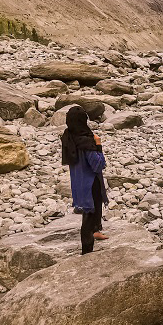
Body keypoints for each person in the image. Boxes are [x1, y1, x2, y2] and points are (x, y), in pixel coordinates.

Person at [60, 106, 109, 254]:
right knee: (89, 213)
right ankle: (86, 251)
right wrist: (99, 146)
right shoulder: (85, 140)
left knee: (95, 205)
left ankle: (96, 230)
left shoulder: (69, 135)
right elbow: (98, 164)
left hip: (78, 180)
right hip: (90, 182)